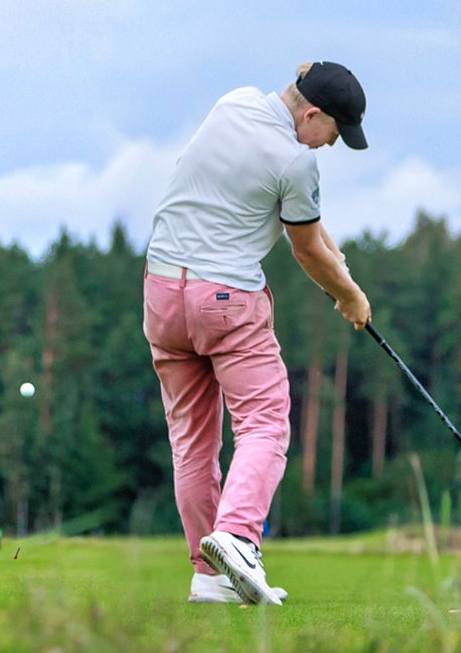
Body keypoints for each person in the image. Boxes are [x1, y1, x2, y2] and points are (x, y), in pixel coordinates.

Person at [142, 61, 373, 606]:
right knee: (265, 423)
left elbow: (304, 226)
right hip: (225, 301)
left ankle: (210, 575)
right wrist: (350, 296)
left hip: (161, 294)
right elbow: (306, 249)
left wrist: (333, 260)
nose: (329, 146)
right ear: (312, 114)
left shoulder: (234, 103)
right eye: (333, 134)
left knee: (193, 445)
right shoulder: (297, 160)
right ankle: (240, 536)